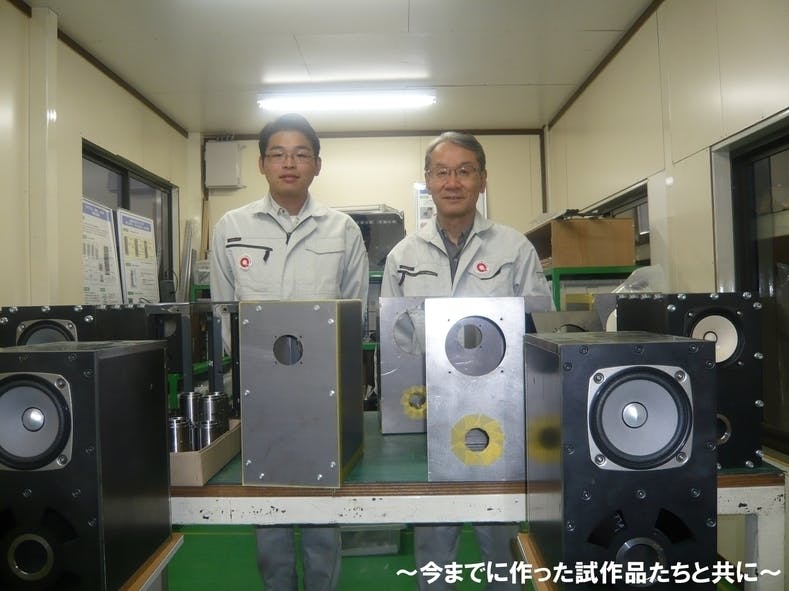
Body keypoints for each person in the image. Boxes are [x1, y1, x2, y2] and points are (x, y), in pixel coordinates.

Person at [381, 131, 551, 590]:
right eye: (442, 172)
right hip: (429, 415)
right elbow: (396, 342)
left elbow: (541, 331)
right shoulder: (403, 257)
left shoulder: (514, 249)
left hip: (500, 417)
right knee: (434, 538)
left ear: (482, 179)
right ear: (428, 180)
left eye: (464, 171)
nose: (452, 182)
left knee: (501, 537)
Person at [210, 113, 369, 591]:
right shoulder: (232, 227)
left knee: (323, 509)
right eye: (277, 154)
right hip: (260, 395)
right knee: (268, 507)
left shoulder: (342, 230)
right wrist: (251, 375)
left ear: (317, 164)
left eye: (301, 154)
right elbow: (223, 312)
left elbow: (354, 312)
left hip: (324, 394)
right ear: (262, 164)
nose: (289, 163)